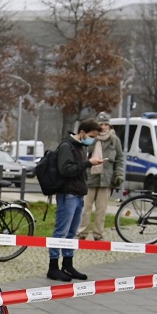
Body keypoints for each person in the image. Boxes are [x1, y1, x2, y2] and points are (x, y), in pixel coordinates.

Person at [47, 119, 101, 282]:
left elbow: (77, 169)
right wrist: (87, 163)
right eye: (91, 136)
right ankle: (53, 266)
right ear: (82, 132)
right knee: (61, 231)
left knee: (71, 233)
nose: (92, 139)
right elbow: (65, 170)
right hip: (67, 194)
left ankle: (68, 264)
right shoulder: (66, 147)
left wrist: (87, 164)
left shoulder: (80, 147)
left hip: (78, 194)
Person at [79, 111, 125, 241]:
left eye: (106, 124)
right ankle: (82, 233)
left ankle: (98, 234)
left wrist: (119, 174)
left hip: (106, 179)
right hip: (90, 177)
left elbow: (120, 159)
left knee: (101, 210)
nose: (104, 127)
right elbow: (83, 153)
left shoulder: (114, 140)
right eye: (101, 124)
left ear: (109, 126)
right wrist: (93, 141)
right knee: (86, 208)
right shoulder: (90, 138)